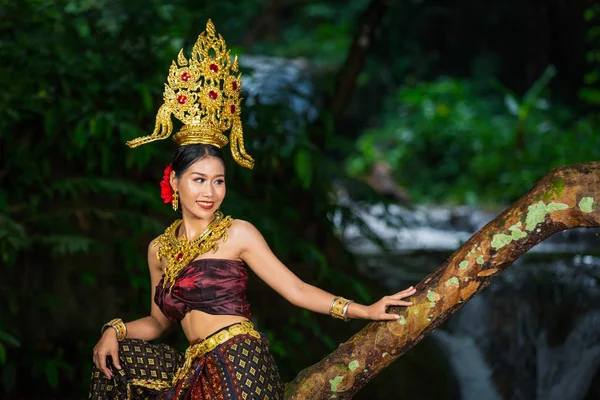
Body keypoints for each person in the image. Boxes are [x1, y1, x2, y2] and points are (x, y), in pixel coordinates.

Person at [88, 19, 417, 400]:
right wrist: (114, 330)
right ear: (174, 182)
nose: (210, 191)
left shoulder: (237, 233)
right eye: (199, 179)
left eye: (219, 180)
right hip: (193, 365)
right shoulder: (158, 249)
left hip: (238, 359)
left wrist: (364, 310)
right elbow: (158, 322)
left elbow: (294, 289)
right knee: (116, 361)